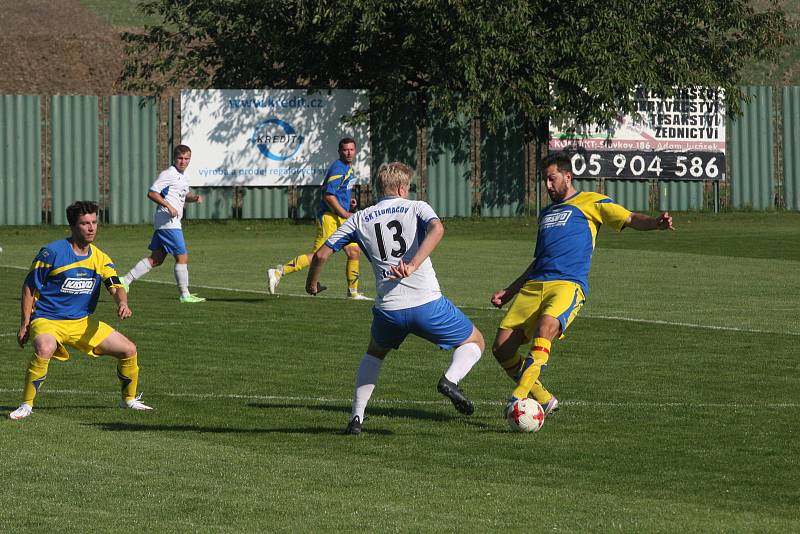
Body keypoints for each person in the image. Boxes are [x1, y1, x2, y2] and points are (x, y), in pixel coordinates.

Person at [491, 151, 673, 419]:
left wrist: (656, 224)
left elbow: (630, 218)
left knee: (546, 327)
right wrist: (510, 291)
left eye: (552, 179)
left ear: (568, 176)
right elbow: (538, 260)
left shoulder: (591, 202)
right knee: (501, 348)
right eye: (545, 180)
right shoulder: (546, 213)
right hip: (535, 285)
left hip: (567, 284)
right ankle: (543, 398)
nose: (548, 186)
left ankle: (518, 398)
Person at [306, 162, 485, 434]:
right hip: (427, 304)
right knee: (475, 340)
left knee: (375, 354)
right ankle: (450, 379)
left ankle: (356, 418)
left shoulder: (359, 218)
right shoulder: (417, 207)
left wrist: (312, 284)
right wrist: (411, 265)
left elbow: (321, 254)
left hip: (389, 310)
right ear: (402, 188)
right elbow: (438, 229)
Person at [9, 201, 152, 420]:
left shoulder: (100, 258)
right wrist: (24, 323)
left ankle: (129, 400)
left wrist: (122, 303)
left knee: (129, 350)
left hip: (82, 323)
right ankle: (26, 405)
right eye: (85, 223)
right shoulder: (51, 253)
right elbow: (30, 287)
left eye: (94, 222)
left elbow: (115, 285)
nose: (91, 227)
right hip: (48, 320)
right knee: (45, 348)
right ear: (73, 226)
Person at [268, 137, 370, 300]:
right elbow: (328, 196)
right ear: (339, 152)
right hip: (330, 218)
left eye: (351, 149)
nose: (349, 152)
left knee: (354, 252)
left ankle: (353, 293)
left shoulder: (347, 168)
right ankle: (279, 271)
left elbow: (337, 192)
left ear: (355, 150)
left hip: (340, 218)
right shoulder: (339, 168)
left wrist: (347, 202)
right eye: (345, 150)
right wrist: (344, 213)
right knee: (317, 256)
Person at [121, 144, 205, 303]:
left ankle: (125, 281)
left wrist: (193, 198)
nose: (183, 161)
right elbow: (152, 193)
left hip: (166, 223)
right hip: (169, 223)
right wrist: (168, 206)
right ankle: (185, 294)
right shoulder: (168, 174)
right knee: (182, 257)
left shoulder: (184, 176)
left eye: (186, 159)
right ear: (174, 158)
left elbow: (182, 194)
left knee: (156, 259)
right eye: (180, 158)